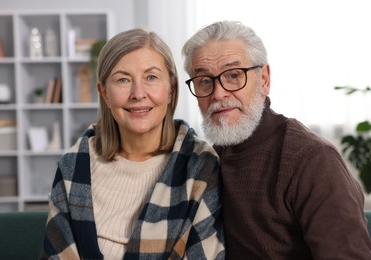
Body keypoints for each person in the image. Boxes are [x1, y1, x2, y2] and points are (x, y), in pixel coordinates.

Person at [182, 20, 371, 259]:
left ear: (264, 80)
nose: (218, 93)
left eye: (233, 75)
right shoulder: (209, 160)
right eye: (205, 81)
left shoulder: (312, 160)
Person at [40, 28, 225, 259]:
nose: (138, 93)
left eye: (151, 77)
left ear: (171, 89)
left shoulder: (201, 167)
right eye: (123, 79)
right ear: (104, 93)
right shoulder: (73, 166)